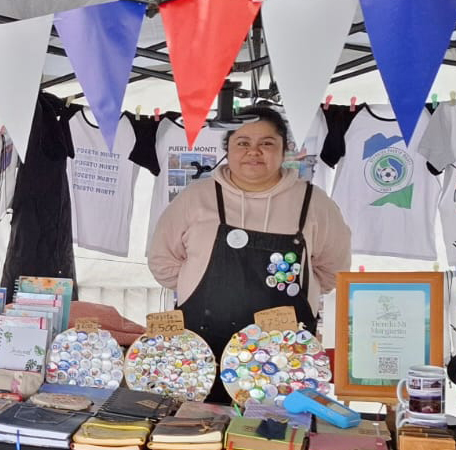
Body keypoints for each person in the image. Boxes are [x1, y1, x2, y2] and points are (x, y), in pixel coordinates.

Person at [147, 106, 352, 401]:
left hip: (283, 362)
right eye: (243, 143)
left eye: (266, 143)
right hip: (201, 352)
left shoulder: (315, 203)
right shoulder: (196, 198)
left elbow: (332, 271)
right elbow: (163, 262)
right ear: (227, 149)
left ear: (285, 150)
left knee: (274, 442)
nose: (253, 152)